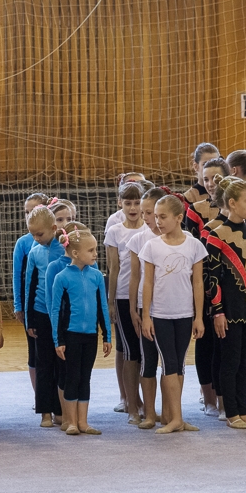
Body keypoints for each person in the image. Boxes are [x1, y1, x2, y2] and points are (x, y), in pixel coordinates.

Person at [205, 178, 246, 429]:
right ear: (232, 203)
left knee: (245, 362)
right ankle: (231, 412)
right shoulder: (215, 234)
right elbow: (212, 277)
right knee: (230, 361)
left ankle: (243, 411)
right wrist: (218, 312)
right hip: (228, 308)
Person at [139, 195, 207, 434]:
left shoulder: (194, 245)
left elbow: (198, 283)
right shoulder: (152, 246)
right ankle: (176, 418)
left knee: (179, 365)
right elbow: (147, 284)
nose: (158, 221)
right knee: (168, 363)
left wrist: (198, 317)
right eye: (156, 216)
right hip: (161, 315)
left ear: (179, 218)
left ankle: (174, 415)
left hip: (185, 314)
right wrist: (146, 316)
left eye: (163, 217)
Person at [50, 230, 112, 435]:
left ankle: (83, 422)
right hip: (71, 336)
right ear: (75, 253)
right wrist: (58, 340)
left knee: (85, 378)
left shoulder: (96, 276)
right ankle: (71, 422)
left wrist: (107, 336)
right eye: (91, 250)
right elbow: (56, 311)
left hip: (90, 336)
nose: (96, 254)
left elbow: (103, 307)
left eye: (96, 249)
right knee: (72, 377)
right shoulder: (62, 277)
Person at [185, 159, 231, 416]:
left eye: (216, 178)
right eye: (206, 179)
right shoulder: (195, 210)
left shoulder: (243, 206)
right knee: (206, 343)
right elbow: (194, 252)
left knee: (228, 344)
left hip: (233, 285)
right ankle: (209, 399)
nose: (211, 183)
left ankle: (229, 398)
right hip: (204, 284)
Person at [105, 182, 147, 424]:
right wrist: (111, 302)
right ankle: (131, 405)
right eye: (128, 203)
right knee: (130, 351)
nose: (133, 208)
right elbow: (113, 268)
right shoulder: (115, 231)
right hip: (123, 296)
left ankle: (145, 403)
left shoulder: (150, 229)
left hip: (147, 297)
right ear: (120, 203)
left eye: (137, 202)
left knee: (145, 352)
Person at [45, 221, 93, 430]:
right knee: (66, 374)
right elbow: (53, 304)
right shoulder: (56, 269)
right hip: (65, 331)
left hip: (86, 332)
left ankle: (79, 420)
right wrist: (57, 335)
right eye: (90, 249)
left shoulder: (92, 270)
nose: (94, 254)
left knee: (81, 375)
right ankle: (67, 418)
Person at [127, 187, 167, 429]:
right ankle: (149, 413)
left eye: (149, 212)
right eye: (143, 213)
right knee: (148, 361)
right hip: (147, 308)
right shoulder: (138, 240)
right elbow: (135, 277)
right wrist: (134, 309)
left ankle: (171, 413)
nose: (146, 217)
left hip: (171, 309)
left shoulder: (179, 237)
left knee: (171, 364)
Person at [25, 203, 65, 427]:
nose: (36, 238)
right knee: (44, 364)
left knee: (61, 364)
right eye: (32, 234)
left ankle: (60, 410)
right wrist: (29, 318)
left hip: (62, 315)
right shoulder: (34, 252)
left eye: (39, 234)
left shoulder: (65, 249)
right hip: (41, 314)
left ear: (53, 228)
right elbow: (30, 286)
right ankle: (45, 412)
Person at [13, 193, 50, 395]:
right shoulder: (23, 243)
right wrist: (19, 306)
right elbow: (18, 276)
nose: (29, 215)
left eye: (33, 211)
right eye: (26, 212)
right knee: (34, 350)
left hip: (50, 305)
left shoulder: (55, 241)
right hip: (31, 305)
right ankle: (39, 395)